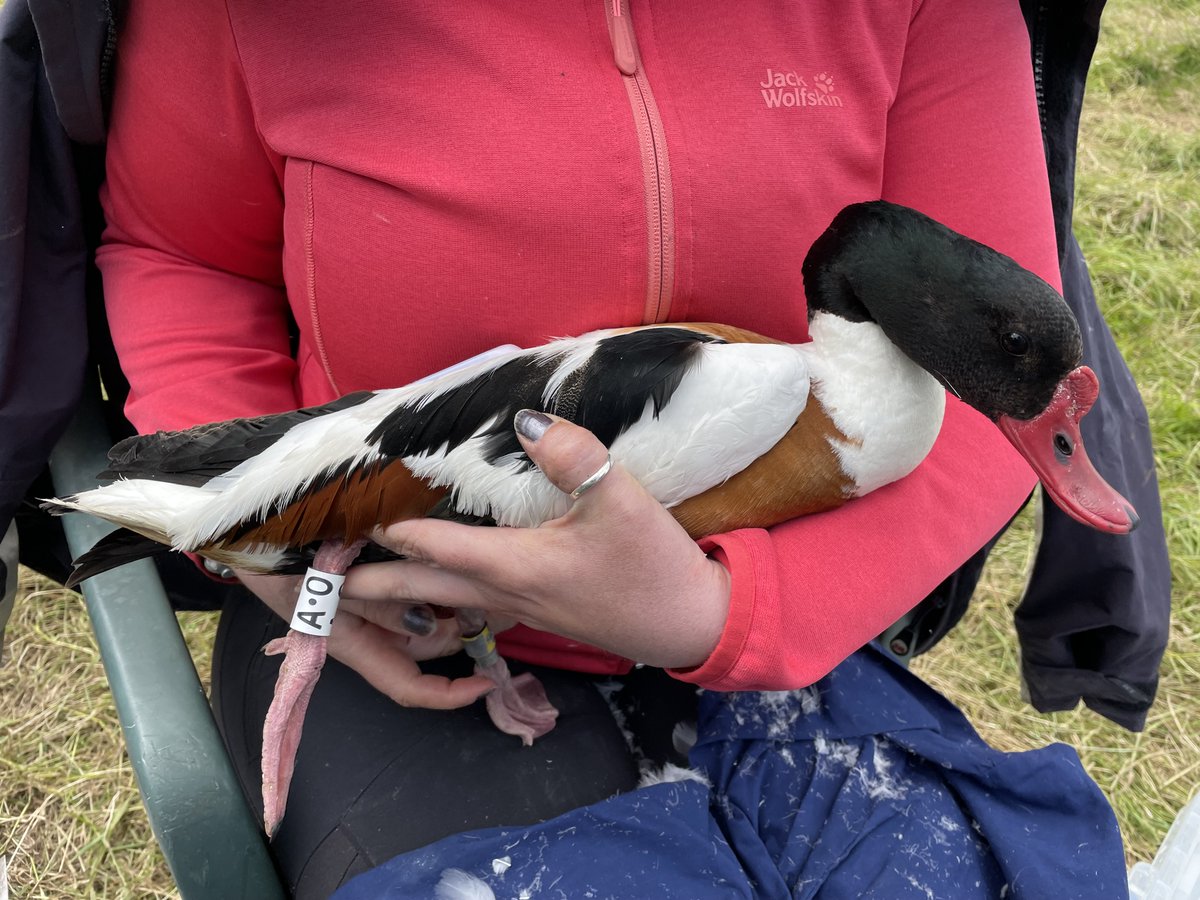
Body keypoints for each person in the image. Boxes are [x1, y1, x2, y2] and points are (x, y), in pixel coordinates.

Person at [95, 1, 1124, 896]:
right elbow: (178, 252)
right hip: (406, 622)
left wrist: (733, 613)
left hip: (785, 629)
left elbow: (995, 349)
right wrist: (286, 562)